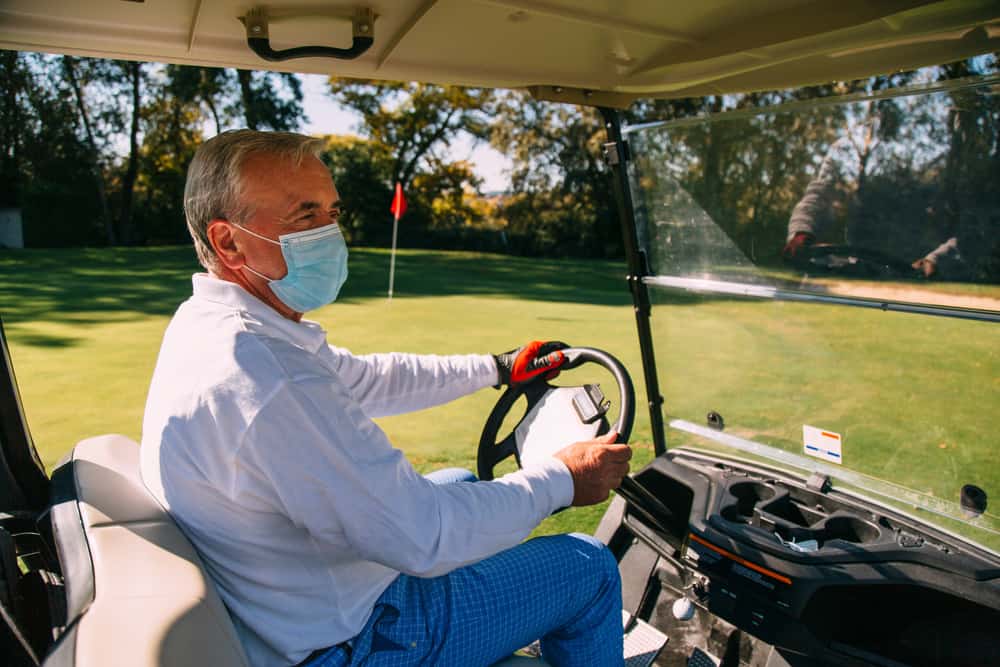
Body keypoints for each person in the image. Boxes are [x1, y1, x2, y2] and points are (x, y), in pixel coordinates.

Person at [139, 129, 632, 667]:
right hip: (351, 643)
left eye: (332, 212)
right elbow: (423, 536)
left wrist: (497, 369)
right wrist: (564, 478)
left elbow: (369, 378)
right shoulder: (271, 378)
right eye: (305, 217)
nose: (330, 233)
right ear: (228, 242)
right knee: (588, 566)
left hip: (289, 598)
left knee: (464, 482)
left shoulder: (218, 326)